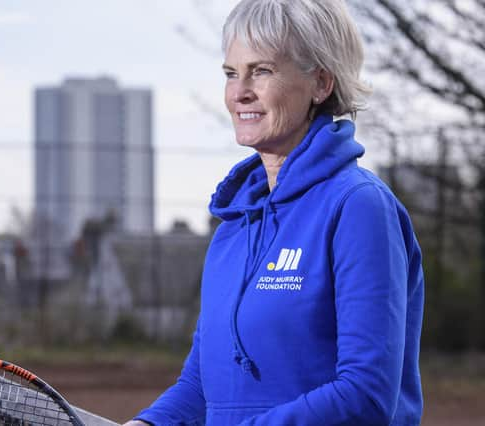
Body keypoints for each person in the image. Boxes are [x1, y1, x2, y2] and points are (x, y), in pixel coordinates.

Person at [124, 0, 424, 424]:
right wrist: (147, 423)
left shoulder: (358, 207)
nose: (239, 92)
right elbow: (201, 385)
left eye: (261, 71)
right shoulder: (234, 226)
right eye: (231, 73)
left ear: (320, 83)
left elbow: (366, 394)